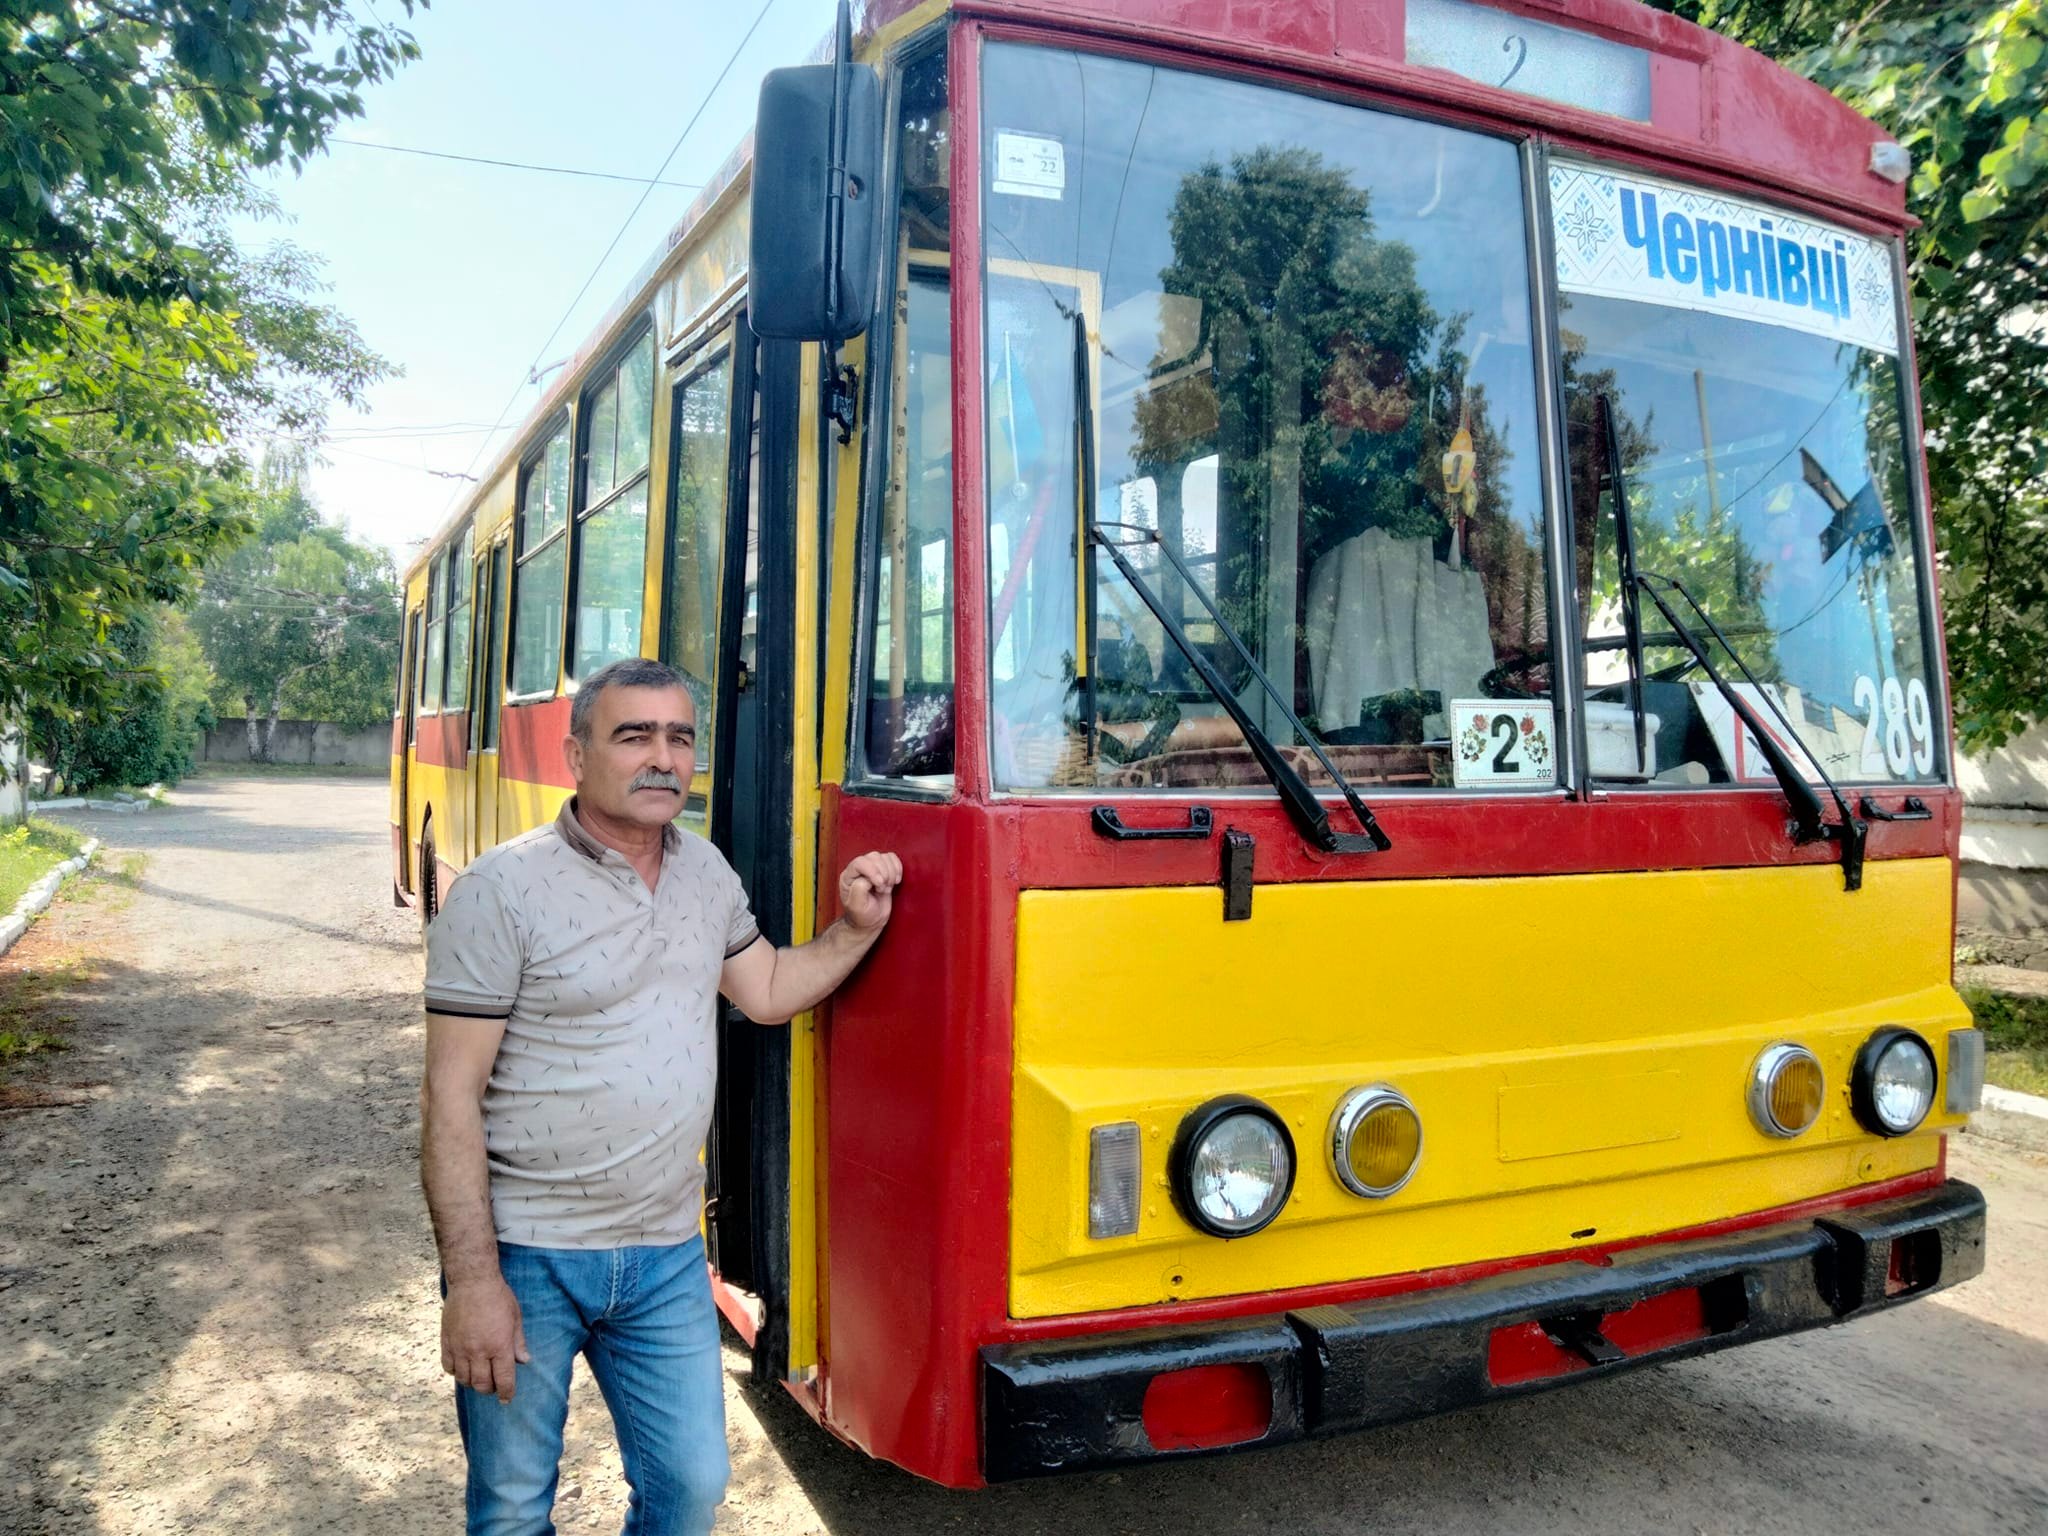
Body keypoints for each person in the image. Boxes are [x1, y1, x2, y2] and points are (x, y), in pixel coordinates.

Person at [419, 656, 902, 1536]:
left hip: (665, 1253)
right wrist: (475, 1282)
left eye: (679, 737)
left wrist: (853, 929)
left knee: (688, 1489)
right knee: (513, 1507)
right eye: (633, 734)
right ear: (576, 754)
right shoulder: (501, 891)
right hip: (530, 1253)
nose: (662, 757)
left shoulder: (705, 874)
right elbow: (450, 1100)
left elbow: (765, 989)